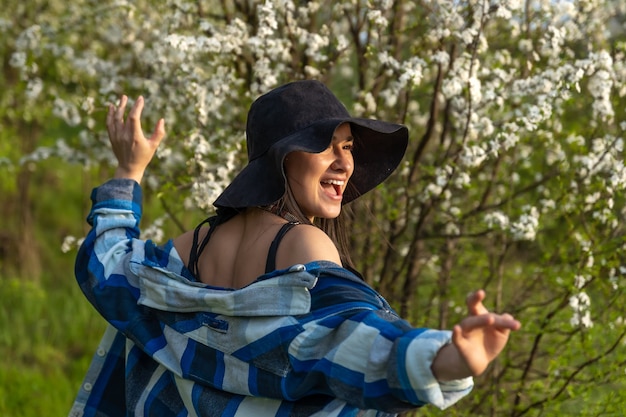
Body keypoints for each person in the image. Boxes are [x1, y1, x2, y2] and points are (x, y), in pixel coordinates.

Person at [69, 80, 521, 417]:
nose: (345, 162)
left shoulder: (189, 249)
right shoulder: (304, 242)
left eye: (348, 148)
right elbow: (342, 337)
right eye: (325, 146)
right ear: (283, 158)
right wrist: (442, 359)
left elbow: (108, 266)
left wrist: (129, 172)